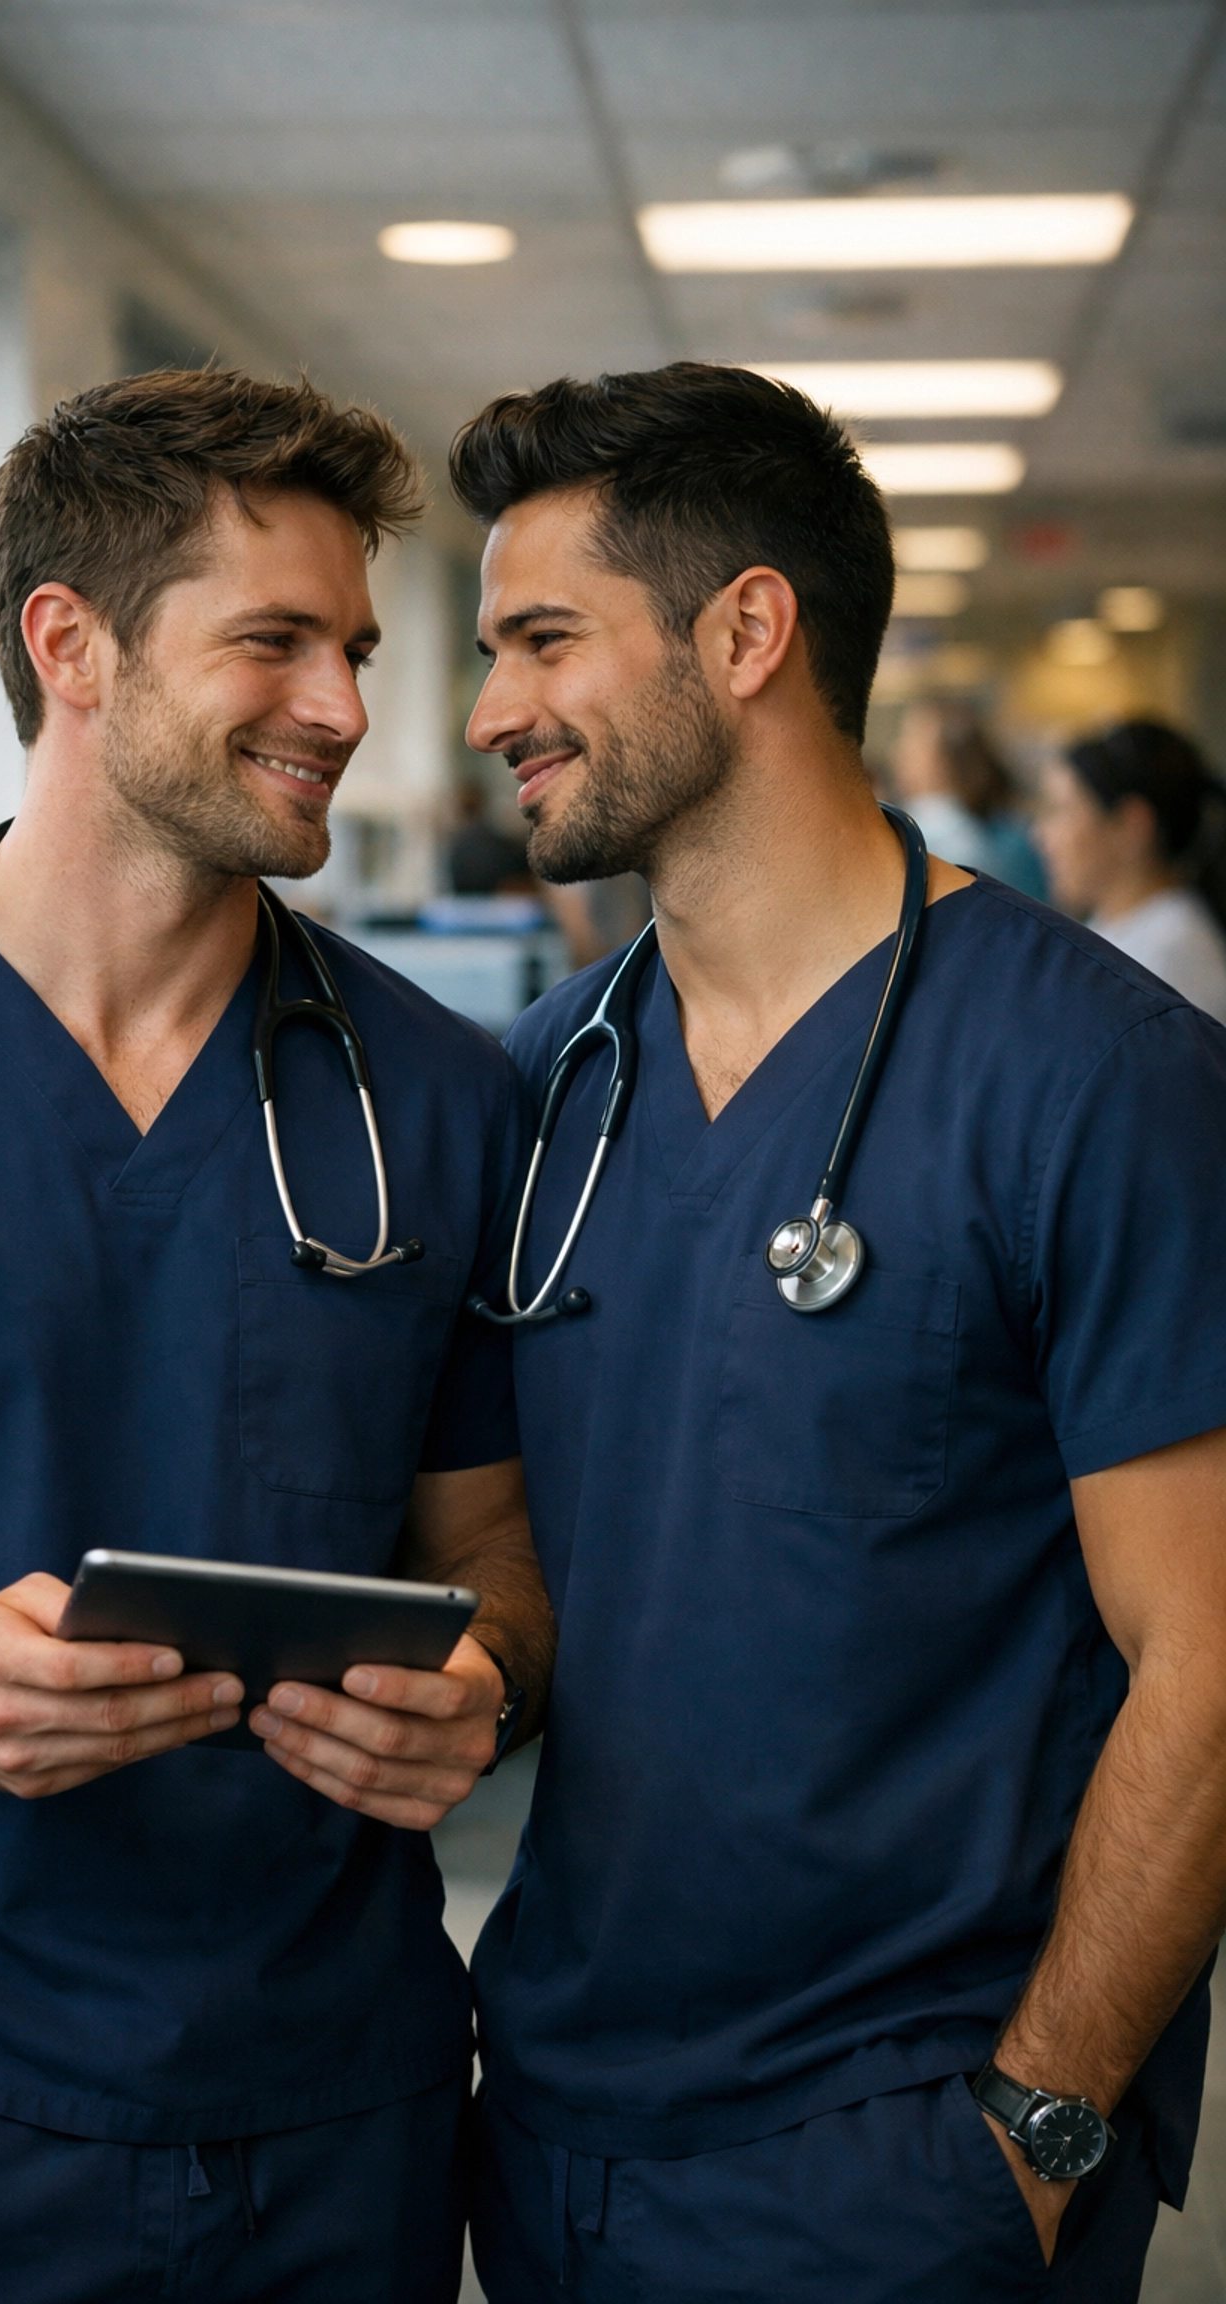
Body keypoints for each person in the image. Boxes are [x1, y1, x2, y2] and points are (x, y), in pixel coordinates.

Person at [0, 367, 554, 2304]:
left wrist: (485, 1682)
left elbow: (493, 1554)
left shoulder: (429, 1099)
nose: (344, 707)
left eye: (353, 645)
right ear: (66, 645)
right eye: (276, 641)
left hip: (335, 2121)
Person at [448, 362, 1226, 2302]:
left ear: (747, 631)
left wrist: (1036, 2135)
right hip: (550, 2129)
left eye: (544, 640)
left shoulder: (1100, 1077)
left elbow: (1210, 1662)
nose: (486, 716)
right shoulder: (547, 1089)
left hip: (903, 2160)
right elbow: (552, 1576)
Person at [1035, 720, 1226, 1024]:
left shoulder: (1172, 956)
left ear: (1132, 825)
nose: (1041, 835)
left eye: (1062, 809)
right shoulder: (1121, 929)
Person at [891, 698, 1046, 898]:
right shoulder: (1008, 831)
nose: (899, 750)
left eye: (913, 739)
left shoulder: (934, 833)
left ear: (945, 762)